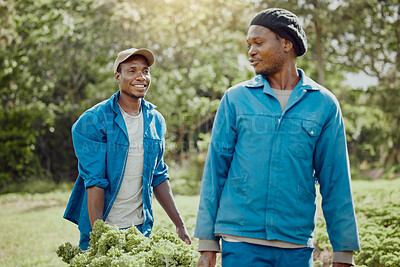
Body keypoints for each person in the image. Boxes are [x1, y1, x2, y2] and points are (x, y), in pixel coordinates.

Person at [194, 8, 360, 267]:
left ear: (286, 43)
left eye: (259, 43)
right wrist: (207, 244)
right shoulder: (236, 99)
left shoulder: (324, 104)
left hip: (295, 245)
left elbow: (336, 181)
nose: (251, 52)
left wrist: (344, 252)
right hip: (240, 242)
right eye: (249, 45)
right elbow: (215, 172)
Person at [64, 47, 191, 250]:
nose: (140, 76)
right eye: (132, 70)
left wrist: (180, 224)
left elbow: (158, 175)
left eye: (145, 71)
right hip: (103, 225)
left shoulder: (155, 120)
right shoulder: (93, 121)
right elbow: (95, 181)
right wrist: (100, 236)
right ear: (118, 76)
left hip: (140, 230)